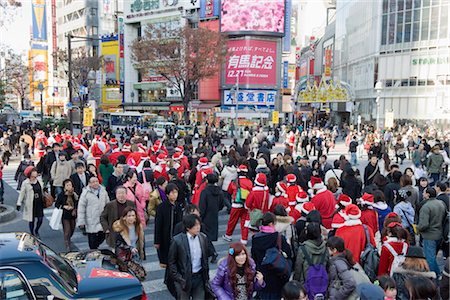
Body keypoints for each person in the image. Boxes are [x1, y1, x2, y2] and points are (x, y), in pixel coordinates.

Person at [167, 214, 210, 300]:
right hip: (184, 279)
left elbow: (205, 259)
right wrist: (179, 278)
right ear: (188, 227)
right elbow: (171, 262)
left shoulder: (203, 238)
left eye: (199, 224)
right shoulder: (177, 240)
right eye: (195, 225)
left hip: (199, 278)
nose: (198, 227)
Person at [251, 212, 292, 299]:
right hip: (278, 274)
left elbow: (254, 257)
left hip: (262, 275)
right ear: (271, 224)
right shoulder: (279, 237)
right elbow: (288, 254)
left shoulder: (255, 238)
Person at [417, 187, 446, 276]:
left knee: (430, 258)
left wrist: (417, 228)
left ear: (428, 195)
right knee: (433, 257)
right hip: (439, 233)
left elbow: (424, 224)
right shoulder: (441, 203)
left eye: (424, 193)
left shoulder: (426, 207)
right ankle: (438, 273)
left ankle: (435, 274)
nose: (423, 194)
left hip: (429, 235)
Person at [154, 183, 183, 268]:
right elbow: (158, 225)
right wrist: (157, 241)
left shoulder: (178, 206)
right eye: (172, 193)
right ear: (167, 194)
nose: (175, 195)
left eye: (176, 192)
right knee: (167, 260)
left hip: (176, 236)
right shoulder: (162, 207)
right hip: (165, 236)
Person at [223, 165, 253, 244]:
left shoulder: (234, 182)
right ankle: (244, 239)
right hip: (246, 205)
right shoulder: (249, 182)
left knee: (232, 220)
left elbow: (229, 191)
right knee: (244, 222)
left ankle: (228, 235)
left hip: (236, 204)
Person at [77, 176, 109, 249]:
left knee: (103, 235)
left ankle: (96, 247)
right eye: (93, 182)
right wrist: (81, 221)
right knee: (92, 240)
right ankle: (93, 252)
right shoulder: (85, 193)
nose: (95, 183)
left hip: (102, 218)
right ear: (89, 184)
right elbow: (81, 208)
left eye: (96, 181)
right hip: (91, 219)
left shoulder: (103, 191)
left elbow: (108, 204)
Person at [199, 173, 223, 263]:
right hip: (214, 215)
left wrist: (200, 215)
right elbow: (221, 204)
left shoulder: (205, 192)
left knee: (204, 235)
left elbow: (202, 206)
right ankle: (210, 252)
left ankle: (212, 252)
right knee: (207, 235)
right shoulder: (219, 191)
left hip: (206, 216)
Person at [16, 167, 44, 238]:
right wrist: (18, 203)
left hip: (39, 203)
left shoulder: (39, 180)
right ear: (30, 173)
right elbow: (22, 193)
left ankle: (36, 230)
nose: (36, 173)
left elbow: (42, 190)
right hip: (30, 204)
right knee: (31, 220)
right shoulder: (25, 183)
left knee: (40, 219)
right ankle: (32, 233)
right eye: (34, 171)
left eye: (36, 171)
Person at [55, 179, 79, 250]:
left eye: (70, 185)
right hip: (65, 215)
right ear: (64, 187)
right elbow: (57, 204)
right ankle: (67, 242)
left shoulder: (74, 194)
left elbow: (77, 203)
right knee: (67, 230)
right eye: (67, 185)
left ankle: (69, 238)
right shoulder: (62, 195)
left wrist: (74, 208)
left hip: (73, 214)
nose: (69, 187)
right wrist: (64, 206)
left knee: (72, 229)